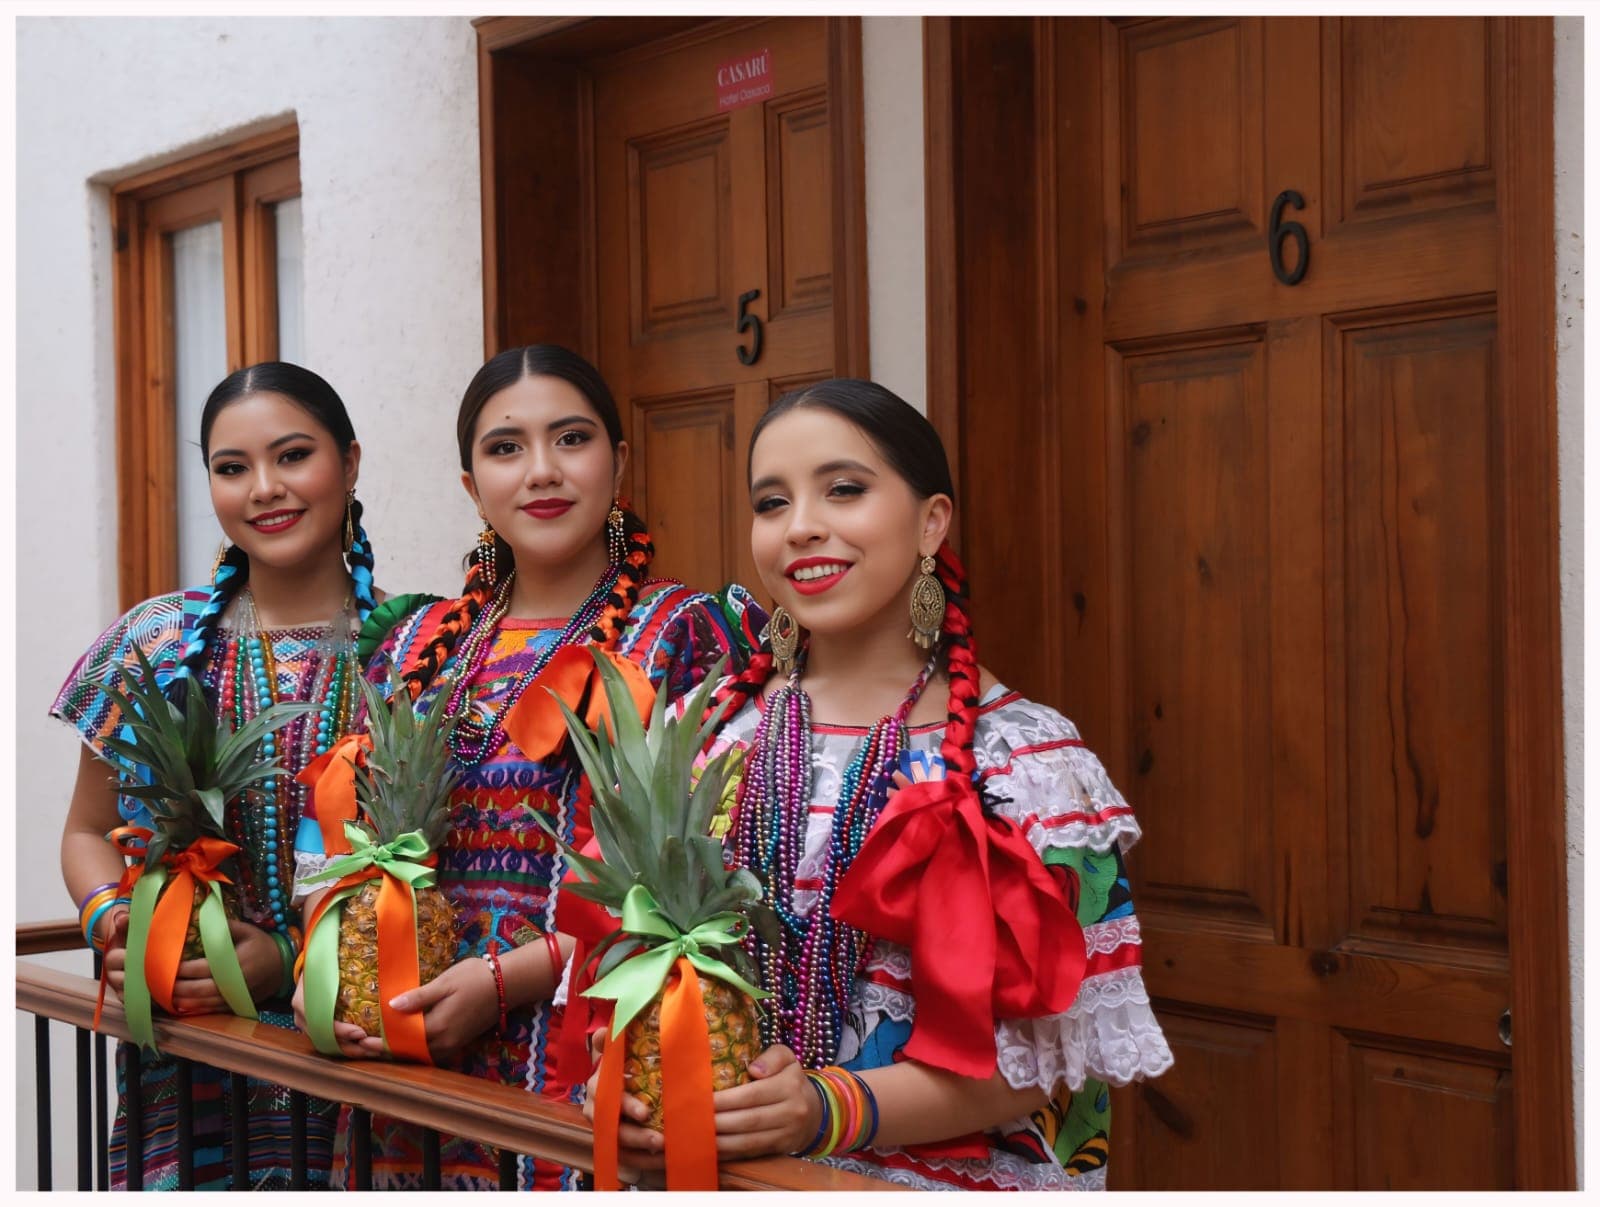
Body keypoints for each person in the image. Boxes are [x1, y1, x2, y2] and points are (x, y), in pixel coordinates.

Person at [593, 378, 1174, 1191]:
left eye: (844, 489)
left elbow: (1056, 1053)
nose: (800, 526)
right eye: (771, 502)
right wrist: (631, 1059)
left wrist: (828, 1108)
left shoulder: (1026, 764)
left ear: (932, 520)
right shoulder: (703, 732)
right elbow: (632, 959)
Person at [293, 344, 760, 1191]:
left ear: (619, 462)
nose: (540, 471)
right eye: (505, 448)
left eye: (571, 439)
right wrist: (323, 966)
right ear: (472, 485)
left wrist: (505, 979)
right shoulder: (414, 645)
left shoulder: (680, 632)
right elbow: (338, 835)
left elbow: (707, 874)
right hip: (409, 1065)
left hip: (587, 1060)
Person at [55, 362, 380, 1190]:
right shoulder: (153, 640)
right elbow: (87, 829)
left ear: (349, 461)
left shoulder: (416, 648)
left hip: (357, 1065)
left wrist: (281, 956)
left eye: (293, 455)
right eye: (231, 468)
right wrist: (119, 927)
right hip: (187, 1065)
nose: (264, 488)